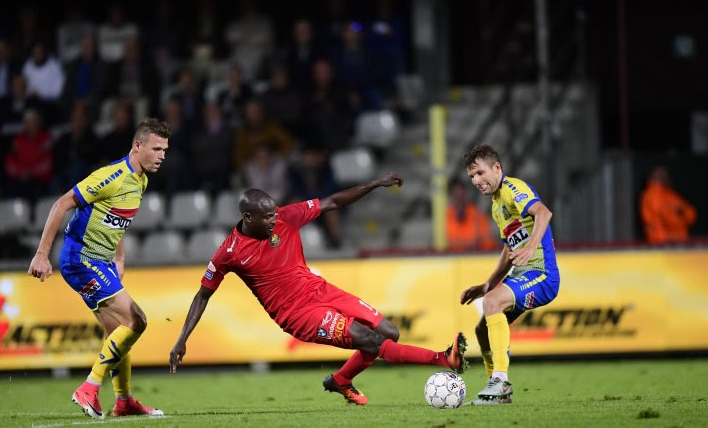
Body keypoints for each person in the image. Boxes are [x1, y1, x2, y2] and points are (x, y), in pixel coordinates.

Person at [169, 172, 467, 405]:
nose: (276, 218)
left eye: (275, 213)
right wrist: (182, 339)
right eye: (268, 216)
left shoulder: (286, 217)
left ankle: (341, 380)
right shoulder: (229, 252)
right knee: (369, 341)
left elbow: (332, 202)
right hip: (296, 313)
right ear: (249, 218)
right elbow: (203, 294)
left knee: (389, 331)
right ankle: (443, 359)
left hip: (320, 289)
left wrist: (376, 183)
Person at [27, 118, 171, 419]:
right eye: (157, 149)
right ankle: (89, 387)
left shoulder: (141, 179)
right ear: (137, 145)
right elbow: (62, 204)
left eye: (165, 150)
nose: (162, 156)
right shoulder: (112, 176)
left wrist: (119, 258)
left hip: (100, 261)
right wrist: (42, 254)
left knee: (117, 332)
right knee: (136, 320)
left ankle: (124, 401)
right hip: (81, 259)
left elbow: (118, 219)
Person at [459, 145, 559, 405]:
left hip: (542, 274)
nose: (476, 181)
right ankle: (496, 390)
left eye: (480, 173)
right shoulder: (496, 206)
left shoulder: (514, 188)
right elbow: (509, 247)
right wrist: (488, 284)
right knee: (482, 329)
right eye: (472, 177)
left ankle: (500, 382)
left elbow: (544, 213)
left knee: (493, 303)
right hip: (523, 273)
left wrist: (530, 247)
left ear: (497, 168)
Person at [639, 165, 697, 244]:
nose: (663, 175)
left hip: (679, 241)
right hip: (660, 241)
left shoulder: (671, 195)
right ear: (651, 176)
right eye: (659, 174)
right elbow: (663, 216)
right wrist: (678, 216)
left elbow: (691, 215)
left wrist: (682, 211)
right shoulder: (651, 194)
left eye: (664, 173)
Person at [446, 177, 497, 251]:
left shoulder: (478, 216)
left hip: (475, 259)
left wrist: (478, 243)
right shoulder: (444, 217)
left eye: (462, 195)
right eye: (456, 196)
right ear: (450, 196)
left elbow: (488, 243)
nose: (459, 199)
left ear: (466, 194)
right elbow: (444, 244)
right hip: (449, 260)